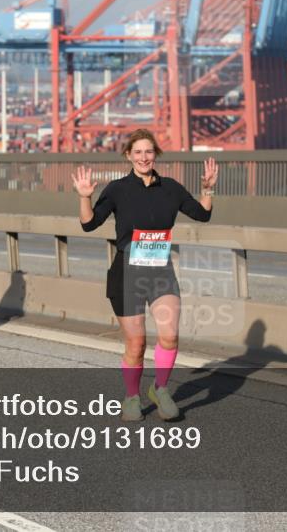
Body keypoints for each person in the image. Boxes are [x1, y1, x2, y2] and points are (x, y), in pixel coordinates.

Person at [73, 129, 218, 421]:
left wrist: (208, 189)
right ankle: (131, 397)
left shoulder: (171, 188)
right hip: (127, 273)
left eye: (148, 152)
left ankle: (160, 389)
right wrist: (85, 198)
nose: (143, 157)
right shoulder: (117, 189)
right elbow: (89, 224)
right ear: (129, 155)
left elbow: (202, 215)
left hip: (160, 271)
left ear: (156, 155)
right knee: (136, 344)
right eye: (137, 152)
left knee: (170, 336)